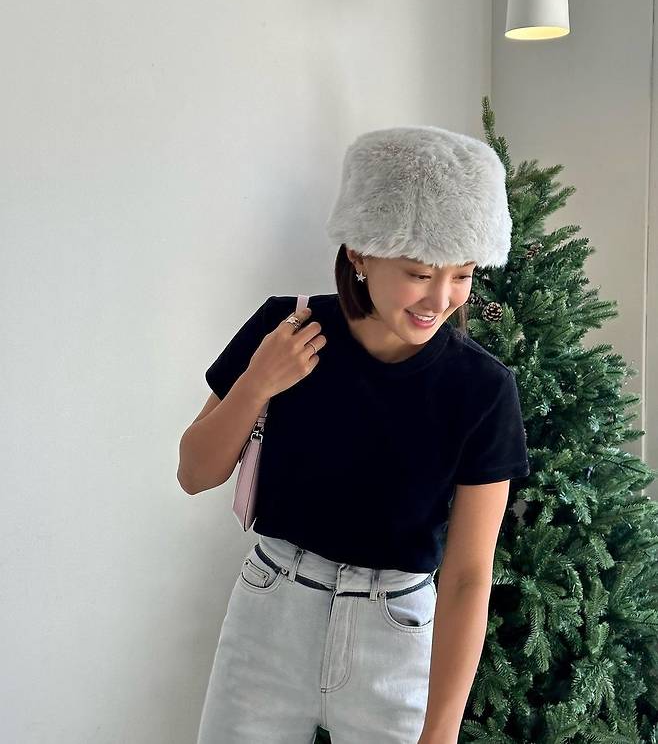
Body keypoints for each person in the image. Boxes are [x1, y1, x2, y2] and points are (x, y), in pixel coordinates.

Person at [186, 125, 531, 744]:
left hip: (394, 636)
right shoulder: (287, 327)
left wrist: (441, 731)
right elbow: (195, 473)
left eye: (462, 275)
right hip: (270, 613)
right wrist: (258, 383)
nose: (441, 299)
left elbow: (467, 576)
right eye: (419, 273)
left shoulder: (482, 389)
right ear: (360, 254)